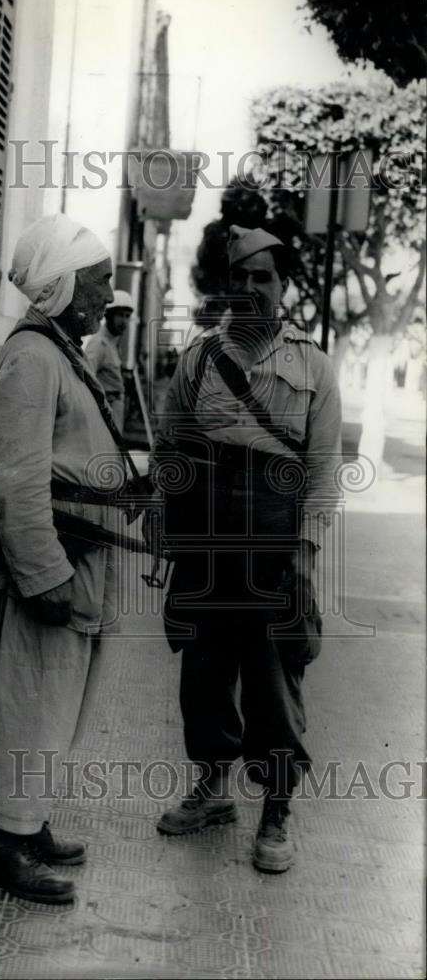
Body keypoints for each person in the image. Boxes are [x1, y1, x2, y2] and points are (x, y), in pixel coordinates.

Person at [147, 225, 342, 873]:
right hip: (205, 539)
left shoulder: (312, 364)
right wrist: (162, 519)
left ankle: (277, 809)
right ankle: (210, 791)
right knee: (202, 672)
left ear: (283, 286)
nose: (252, 288)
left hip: (274, 541)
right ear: (226, 284)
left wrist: (306, 552)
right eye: (242, 276)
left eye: (265, 277)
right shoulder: (199, 358)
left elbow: (322, 470)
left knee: (271, 676)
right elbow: (171, 447)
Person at [0, 213, 121, 904]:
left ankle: (25, 824)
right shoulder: (33, 358)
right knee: (26, 702)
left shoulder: (60, 352)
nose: (107, 297)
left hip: (74, 561)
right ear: (60, 286)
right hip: (47, 566)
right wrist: (44, 575)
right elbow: (16, 477)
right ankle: (1, 843)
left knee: (51, 704)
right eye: (97, 283)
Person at [84, 289, 133, 431]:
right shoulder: (99, 343)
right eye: (120, 315)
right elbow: (86, 380)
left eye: (127, 316)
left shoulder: (113, 344)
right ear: (109, 315)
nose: (124, 321)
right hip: (104, 413)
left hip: (115, 410)